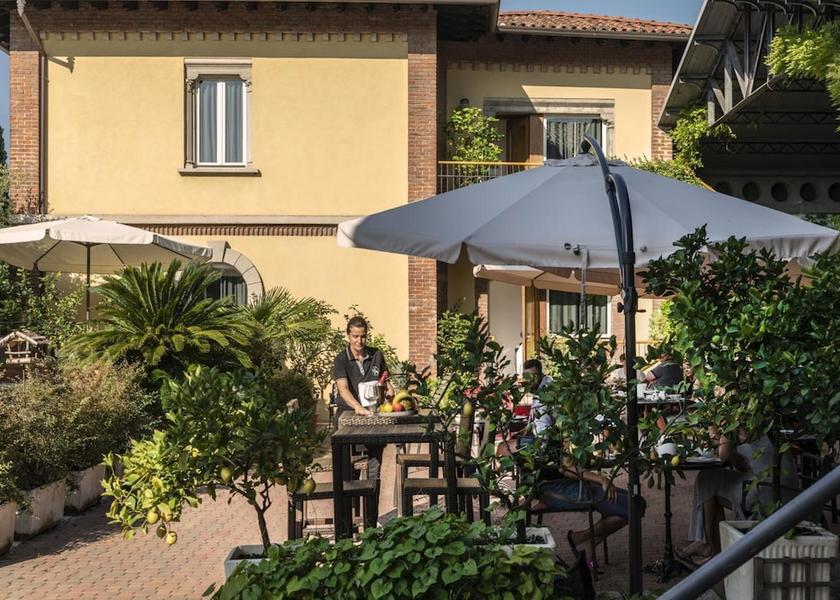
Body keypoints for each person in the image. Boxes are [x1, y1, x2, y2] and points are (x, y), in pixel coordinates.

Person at [676, 429, 797, 565]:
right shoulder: (764, 422)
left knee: (707, 481)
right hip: (784, 489)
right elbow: (739, 461)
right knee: (709, 479)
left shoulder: (735, 421)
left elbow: (723, 455)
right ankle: (711, 549)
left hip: (768, 494)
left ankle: (709, 546)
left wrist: (721, 431)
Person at [332, 316, 394, 511]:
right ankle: (350, 518)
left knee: (374, 469)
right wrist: (357, 407)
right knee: (348, 472)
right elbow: (342, 388)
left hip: (374, 419)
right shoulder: (341, 359)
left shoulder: (377, 355)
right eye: (355, 336)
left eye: (363, 336)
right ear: (348, 336)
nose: (360, 341)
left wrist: (391, 390)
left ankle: (371, 517)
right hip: (348, 420)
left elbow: (385, 379)